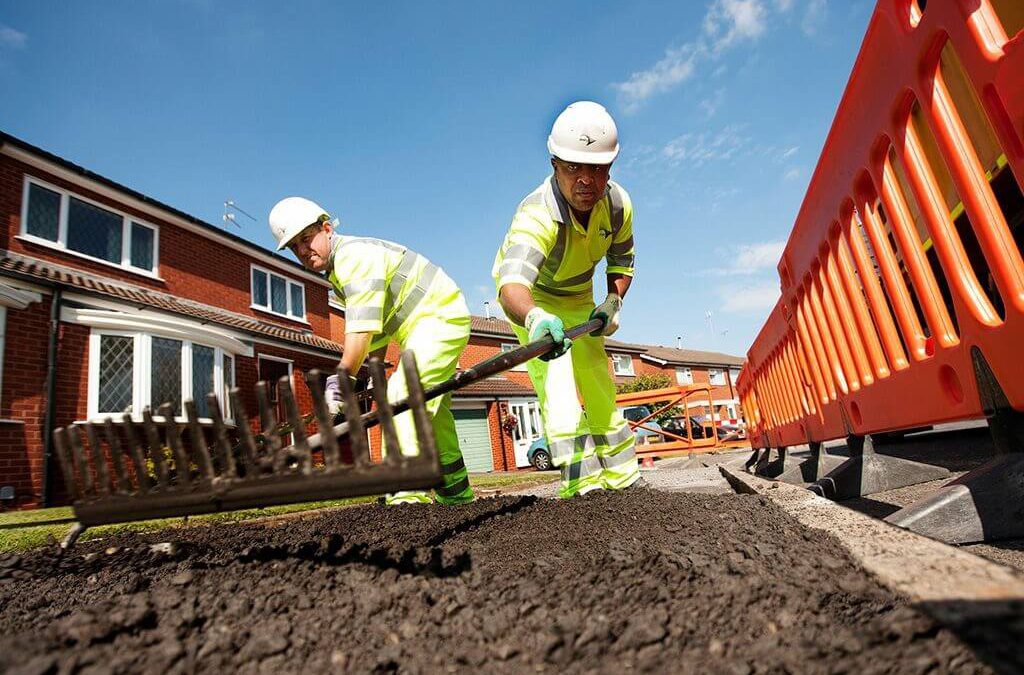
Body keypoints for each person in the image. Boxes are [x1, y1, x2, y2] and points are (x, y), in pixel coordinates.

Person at [269, 197, 474, 505]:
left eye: (306, 239)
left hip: (439, 318)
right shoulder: (340, 273)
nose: (302, 250)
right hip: (423, 326)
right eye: (294, 246)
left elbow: (361, 330)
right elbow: (375, 338)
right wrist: (367, 382)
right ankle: (457, 497)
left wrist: (341, 381)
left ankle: (407, 495)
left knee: (403, 397)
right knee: (431, 414)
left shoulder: (353, 258)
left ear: (326, 229)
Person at [492, 101, 640, 499]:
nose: (585, 180)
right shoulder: (536, 215)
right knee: (557, 386)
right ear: (554, 163)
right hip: (534, 300)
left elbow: (622, 259)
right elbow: (511, 288)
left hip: (581, 296)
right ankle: (583, 488)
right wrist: (536, 319)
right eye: (573, 167)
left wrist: (613, 300)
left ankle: (623, 477)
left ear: (611, 167)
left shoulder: (619, 205)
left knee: (597, 378)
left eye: (596, 168)